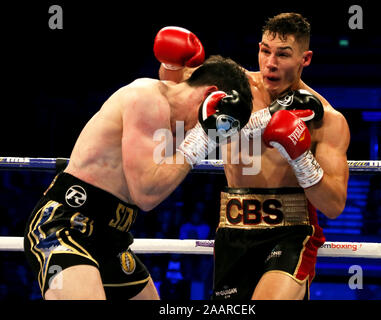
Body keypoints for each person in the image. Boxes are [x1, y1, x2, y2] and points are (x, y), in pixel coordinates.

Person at [23, 51, 253, 299]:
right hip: (65, 224)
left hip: (112, 237)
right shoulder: (147, 98)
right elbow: (145, 194)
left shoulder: (179, 118)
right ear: (211, 96)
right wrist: (202, 138)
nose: (211, 130)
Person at [157, 13, 350, 300]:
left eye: (283, 55)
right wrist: (171, 61)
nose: (271, 63)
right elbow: (170, 85)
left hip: (291, 233)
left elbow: (334, 204)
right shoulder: (233, 84)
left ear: (305, 59)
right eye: (265, 51)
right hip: (233, 230)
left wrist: (300, 157)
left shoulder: (327, 119)